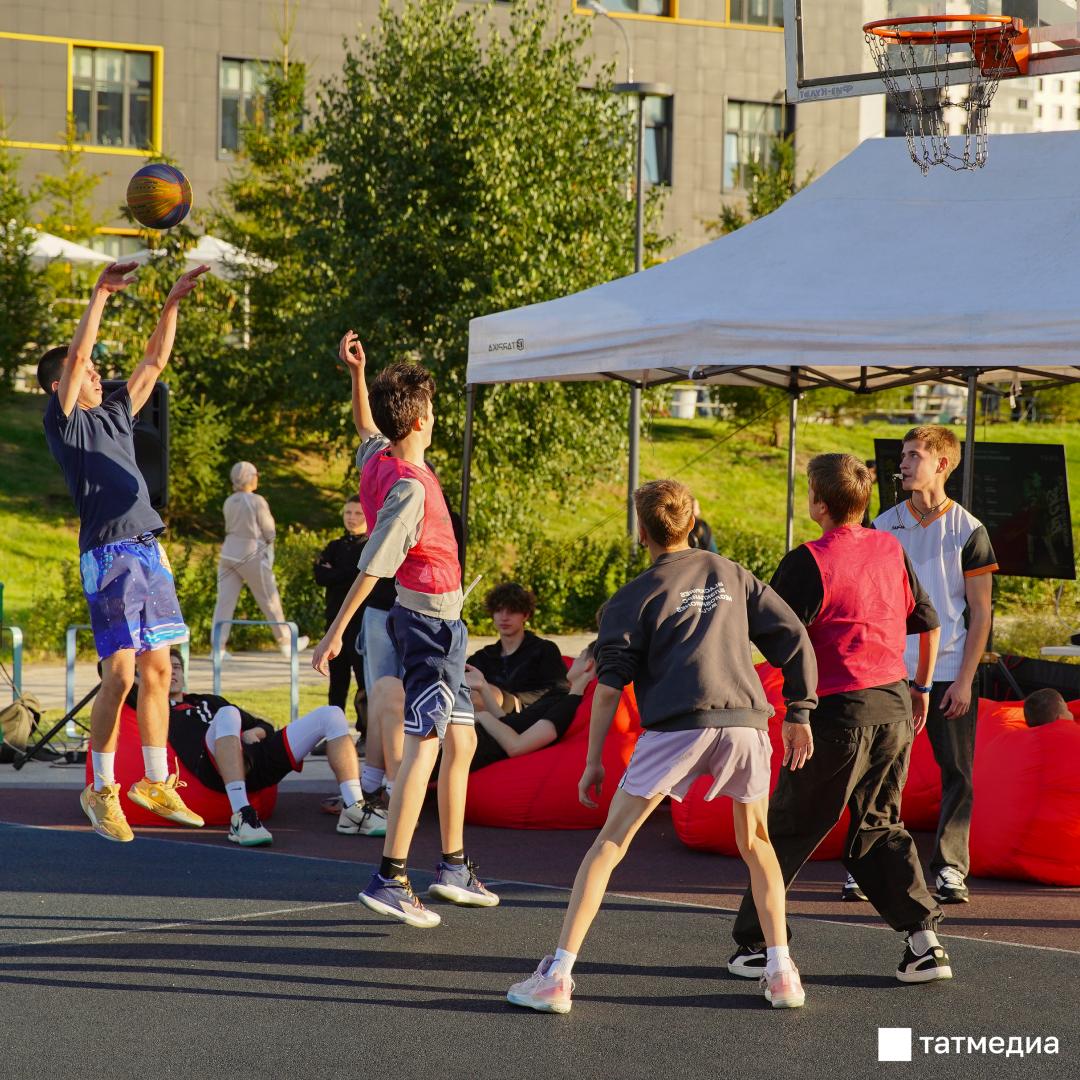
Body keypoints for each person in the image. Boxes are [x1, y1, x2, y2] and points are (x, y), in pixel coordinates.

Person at [507, 479, 818, 1014]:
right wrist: (801, 710)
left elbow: (607, 691)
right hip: (745, 722)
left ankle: (557, 976)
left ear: (642, 532)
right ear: (692, 520)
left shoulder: (632, 597)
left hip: (680, 725)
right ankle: (782, 971)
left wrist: (591, 764)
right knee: (757, 843)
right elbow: (795, 636)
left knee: (610, 844)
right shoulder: (733, 574)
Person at [727, 454, 951, 987]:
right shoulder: (890, 548)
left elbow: (775, 639)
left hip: (837, 714)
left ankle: (758, 945)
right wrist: (920, 689)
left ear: (819, 503)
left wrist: (793, 711)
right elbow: (929, 622)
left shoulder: (808, 560)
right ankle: (925, 944)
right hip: (893, 706)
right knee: (879, 826)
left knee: (787, 827)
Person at [312, 330, 497, 929]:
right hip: (428, 628)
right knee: (426, 747)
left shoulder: (381, 456)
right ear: (419, 420)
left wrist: (355, 374)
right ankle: (390, 876)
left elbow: (366, 426)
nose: (438, 417)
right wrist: (336, 632)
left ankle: (453, 865)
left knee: (461, 742)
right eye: (435, 410)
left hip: (449, 627)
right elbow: (373, 566)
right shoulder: (409, 488)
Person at [39, 260, 209, 843]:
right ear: (62, 383)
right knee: (120, 672)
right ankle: (102, 787)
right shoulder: (65, 424)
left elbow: (154, 362)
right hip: (108, 555)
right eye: (84, 371)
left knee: (160, 668)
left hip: (147, 548)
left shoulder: (113, 412)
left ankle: (156, 780)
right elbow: (81, 357)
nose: (96, 373)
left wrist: (173, 303)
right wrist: (100, 295)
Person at [873, 425, 997, 904]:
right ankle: (872, 862)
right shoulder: (883, 526)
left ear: (942, 464)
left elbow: (981, 612)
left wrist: (964, 680)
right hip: (891, 672)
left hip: (949, 672)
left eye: (912, 455)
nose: (901, 464)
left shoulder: (969, 530)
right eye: (902, 455)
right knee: (883, 770)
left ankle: (949, 867)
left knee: (957, 773)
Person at [134, 650, 386, 844]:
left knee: (331, 715)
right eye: (167, 668)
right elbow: (115, 675)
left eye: (177, 667)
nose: (173, 672)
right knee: (228, 714)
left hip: (255, 760)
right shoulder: (153, 709)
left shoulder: (209, 701)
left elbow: (263, 723)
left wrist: (254, 731)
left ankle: (354, 808)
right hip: (213, 769)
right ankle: (242, 815)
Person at [211, 462, 309, 657]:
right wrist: (269, 546)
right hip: (251, 554)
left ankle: (217, 648)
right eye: (255, 474)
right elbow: (269, 530)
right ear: (250, 477)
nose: (257, 478)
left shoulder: (229, 501)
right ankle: (286, 642)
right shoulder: (257, 501)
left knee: (224, 601)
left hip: (228, 553)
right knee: (269, 597)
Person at [467, 644, 595, 772]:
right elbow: (507, 724)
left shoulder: (568, 707)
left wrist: (482, 716)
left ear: (588, 665)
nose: (574, 661)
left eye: (579, 657)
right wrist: (482, 686)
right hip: (473, 738)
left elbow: (517, 746)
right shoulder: (561, 694)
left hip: (474, 745)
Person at [466, 583, 568, 714]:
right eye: (498, 610)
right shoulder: (483, 656)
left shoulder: (544, 649)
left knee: (485, 692)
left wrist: (513, 701)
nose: (504, 617)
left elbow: (558, 691)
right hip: (484, 721)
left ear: (525, 615)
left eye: (512, 611)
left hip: (529, 720)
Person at [313, 495, 369, 736]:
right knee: (337, 681)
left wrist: (337, 573)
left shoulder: (369, 546)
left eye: (358, 513)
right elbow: (320, 575)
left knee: (364, 680)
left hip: (360, 623)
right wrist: (345, 574)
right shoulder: (335, 546)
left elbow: (361, 575)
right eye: (348, 513)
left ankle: (366, 733)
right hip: (334, 621)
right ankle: (334, 733)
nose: (352, 518)